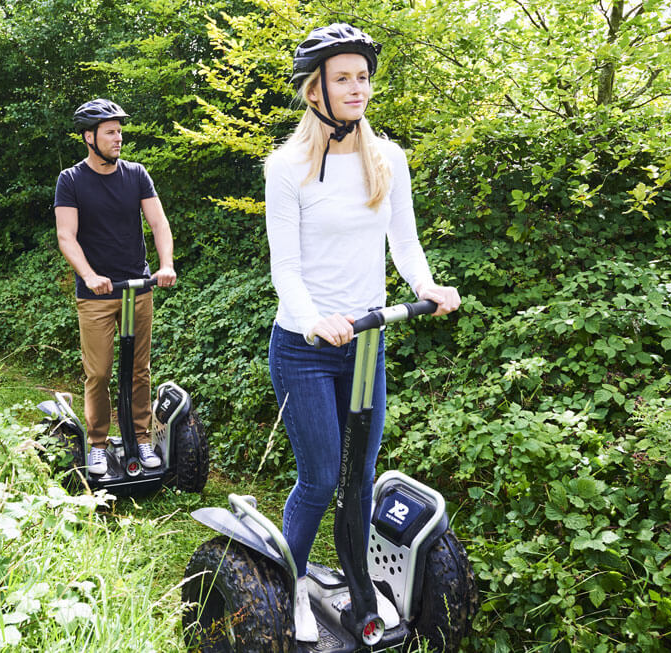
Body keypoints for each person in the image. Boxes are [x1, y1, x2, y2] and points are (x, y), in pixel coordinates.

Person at [264, 24, 461, 641]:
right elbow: (286, 268)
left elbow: (403, 241)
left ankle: (359, 586)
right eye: (343, 77)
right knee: (320, 478)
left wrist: (425, 285)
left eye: (363, 77)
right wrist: (312, 319)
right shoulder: (287, 166)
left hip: (368, 342)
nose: (358, 88)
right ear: (314, 89)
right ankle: (289, 584)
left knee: (359, 477)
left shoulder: (388, 159)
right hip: (305, 348)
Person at [54, 98, 177, 476]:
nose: (118, 138)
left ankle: (140, 438)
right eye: (110, 132)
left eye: (119, 132)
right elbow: (66, 236)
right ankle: (97, 444)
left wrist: (166, 264)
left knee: (139, 371)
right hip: (97, 295)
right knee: (101, 372)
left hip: (137, 288)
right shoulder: (71, 180)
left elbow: (159, 224)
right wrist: (89, 275)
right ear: (89, 137)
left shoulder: (136, 174)